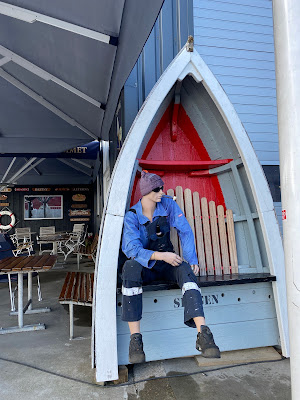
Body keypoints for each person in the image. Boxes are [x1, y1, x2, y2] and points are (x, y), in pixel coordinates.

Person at [121, 171, 220, 363]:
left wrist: (191, 259)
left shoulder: (168, 204)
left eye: (161, 187)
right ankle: (135, 341)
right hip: (146, 266)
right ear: (146, 192)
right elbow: (131, 248)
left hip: (168, 263)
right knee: (130, 267)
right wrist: (160, 256)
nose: (161, 192)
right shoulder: (132, 216)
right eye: (157, 189)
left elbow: (185, 230)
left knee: (184, 269)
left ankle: (204, 335)